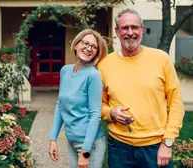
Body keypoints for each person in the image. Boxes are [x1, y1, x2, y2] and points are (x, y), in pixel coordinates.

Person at [97, 8, 185, 168]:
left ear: (142, 30)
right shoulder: (104, 65)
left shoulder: (161, 59)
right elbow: (99, 105)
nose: (130, 32)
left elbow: (176, 104)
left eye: (134, 27)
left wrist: (168, 142)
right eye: (124, 28)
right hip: (119, 148)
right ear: (117, 31)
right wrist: (111, 113)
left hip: (156, 147)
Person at [49, 29, 108, 168]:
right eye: (85, 43)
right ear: (76, 45)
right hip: (71, 141)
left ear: (97, 52)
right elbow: (60, 106)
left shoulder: (93, 76)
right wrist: (53, 139)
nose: (89, 48)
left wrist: (85, 152)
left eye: (94, 47)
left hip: (90, 144)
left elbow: (95, 115)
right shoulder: (65, 71)